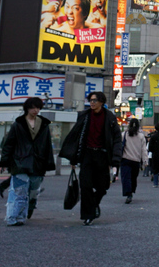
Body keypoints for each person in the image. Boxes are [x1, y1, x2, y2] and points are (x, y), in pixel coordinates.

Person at [60, 91, 122, 226]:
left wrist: (115, 159)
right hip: (87, 155)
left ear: (101, 102)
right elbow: (75, 137)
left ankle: (94, 204)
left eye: (95, 100)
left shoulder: (110, 117)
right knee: (85, 185)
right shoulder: (84, 115)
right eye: (91, 100)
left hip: (102, 155)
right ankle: (88, 215)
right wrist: (73, 158)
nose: (92, 103)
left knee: (103, 186)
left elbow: (117, 139)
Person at [0, 97, 56, 226]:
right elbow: (9, 144)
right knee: (20, 191)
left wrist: (48, 163)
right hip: (20, 162)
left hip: (37, 163)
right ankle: (13, 218)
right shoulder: (18, 124)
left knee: (32, 192)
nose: (36, 110)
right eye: (33, 107)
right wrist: (4, 162)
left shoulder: (44, 124)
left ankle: (21, 216)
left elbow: (47, 145)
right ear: (27, 108)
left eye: (38, 107)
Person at [120, 118, 148, 204]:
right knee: (133, 177)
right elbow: (144, 149)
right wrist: (145, 161)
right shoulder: (141, 136)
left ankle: (128, 194)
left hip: (125, 159)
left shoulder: (124, 134)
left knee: (126, 177)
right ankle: (131, 191)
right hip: (136, 161)